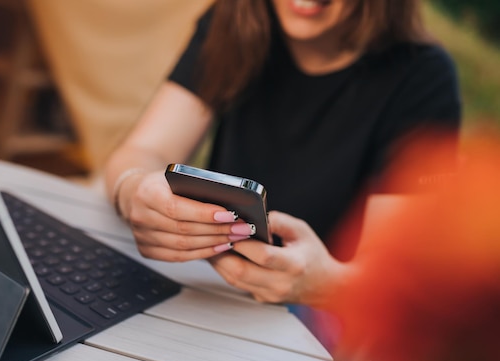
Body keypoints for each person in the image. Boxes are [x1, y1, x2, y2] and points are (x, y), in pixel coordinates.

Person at [104, 0, 461, 310]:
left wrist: (326, 285)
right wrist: (134, 190)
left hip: (317, 324)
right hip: (207, 292)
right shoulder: (234, 25)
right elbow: (144, 151)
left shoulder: (423, 79)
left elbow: (396, 277)